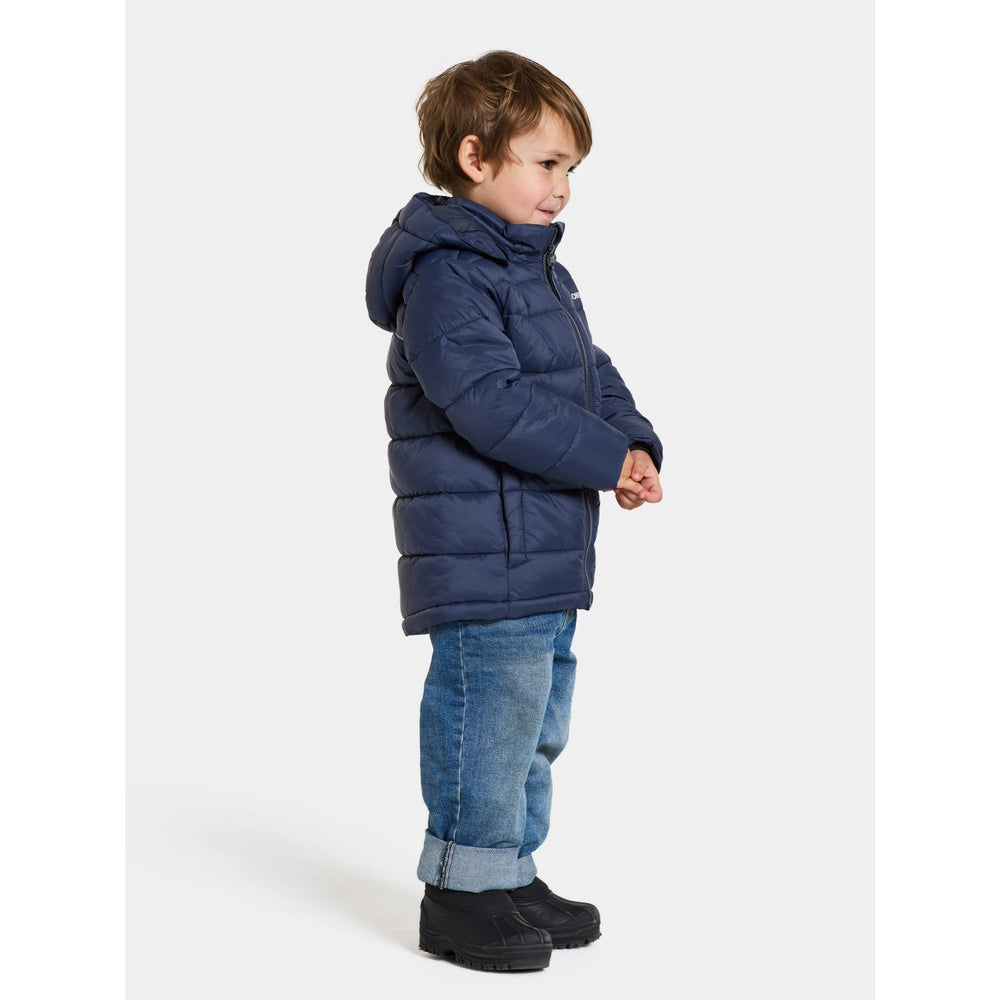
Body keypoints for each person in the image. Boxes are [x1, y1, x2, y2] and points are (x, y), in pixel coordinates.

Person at [365, 50, 663, 972]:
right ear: (475, 156)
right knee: (486, 718)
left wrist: (634, 441)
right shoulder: (448, 278)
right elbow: (489, 402)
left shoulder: (534, 273)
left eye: (571, 168)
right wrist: (600, 456)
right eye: (547, 163)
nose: (562, 186)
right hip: (483, 547)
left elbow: (586, 372)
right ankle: (461, 891)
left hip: (540, 545)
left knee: (534, 723)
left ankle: (507, 869)